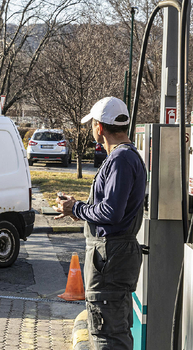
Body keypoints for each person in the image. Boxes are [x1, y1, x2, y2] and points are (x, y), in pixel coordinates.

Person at [54, 96, 146, 350]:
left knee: (108, 334)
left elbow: (111, 212)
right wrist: (79, 211)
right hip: (114, 255)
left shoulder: (120, 160)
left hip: (109, 258)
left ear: (99, 127)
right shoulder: (126, 157)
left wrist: (77, 207)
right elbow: (111, 210)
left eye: (92, 124)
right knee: (113, 328)